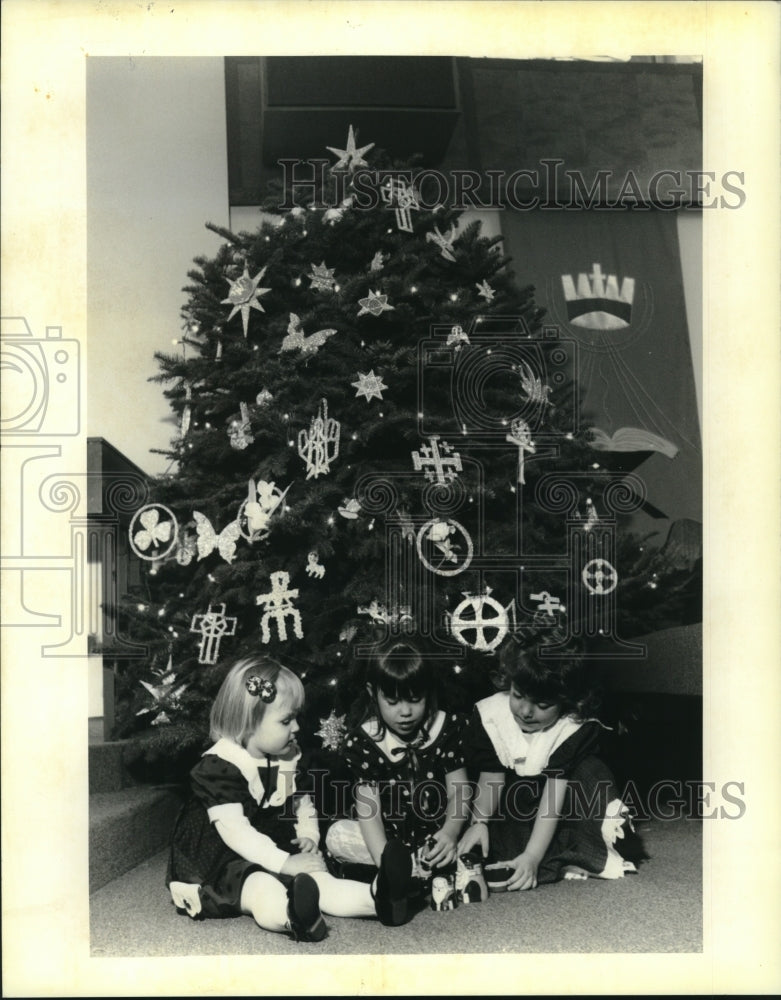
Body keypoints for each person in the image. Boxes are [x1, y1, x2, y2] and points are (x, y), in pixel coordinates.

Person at [166, 656, 413, 941]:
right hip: (222, 855)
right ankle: (293, 916)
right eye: (286, 720)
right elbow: (237, 833)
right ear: (248, 724)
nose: (296, 727)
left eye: (295, 717)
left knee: (317, 879)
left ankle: (381, 897)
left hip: (272, 841)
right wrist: (284, 863)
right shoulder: (220, 766)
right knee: (258, 885)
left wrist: (308, 835)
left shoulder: (288, 756)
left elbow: (301, 803)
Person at [458, 639, 643, 890]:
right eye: (518, 695)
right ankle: (548, 857)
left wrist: (533, 857)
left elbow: (553, 797)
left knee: (592, 770)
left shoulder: (572, 726)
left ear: (567, 700)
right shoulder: (491, 716)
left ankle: (577, 852)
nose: (525, 711)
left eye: (542, 705)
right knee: (505, 850)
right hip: (516, 803)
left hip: (561, 803)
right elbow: (491, 778)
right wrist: (478, 823)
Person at [325, 641, 470, 882]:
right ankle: (408, 869)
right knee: (337, 835)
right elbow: (369, 812)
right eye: (392, 702)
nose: (405, 712)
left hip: (439, 831)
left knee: (474, 835)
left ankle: (427, 864)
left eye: (415, 699)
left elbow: (460, 791)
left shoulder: (447, 728)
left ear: (428, 692)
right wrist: (386, 863)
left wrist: (450, 833)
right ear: (373, 694)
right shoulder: (364, 742)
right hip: (389, 839)